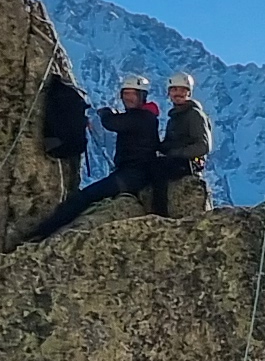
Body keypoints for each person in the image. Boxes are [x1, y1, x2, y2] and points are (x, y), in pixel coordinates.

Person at [30, 73, 165, 239]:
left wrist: (105, 113)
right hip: (132, 173)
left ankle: (42, 233)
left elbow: (112, 123)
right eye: (126, 93)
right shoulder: (144, 116)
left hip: (132, 175)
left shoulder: (143, 118)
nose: (128, 98)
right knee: (88, 197)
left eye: (132, 94)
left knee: (84, 197)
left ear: (142, 96)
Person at [157, 72, 214, 217]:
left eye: (182, 90)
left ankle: (160, 212)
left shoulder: (194, 115)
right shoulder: (175, 117)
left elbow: (203, 146)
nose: (178, 94)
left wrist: (175, 154)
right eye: (174, 90)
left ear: (189, 92)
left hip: (190, 163)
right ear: (169, 93)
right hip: (180, 160)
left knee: (157, 170)